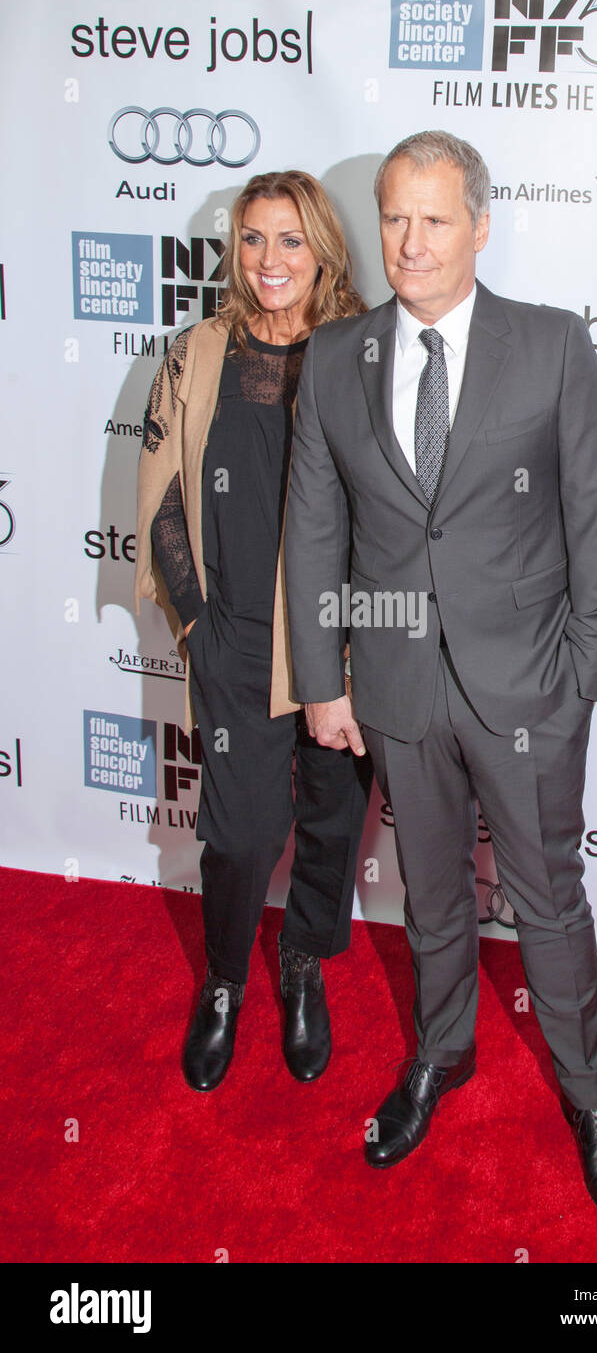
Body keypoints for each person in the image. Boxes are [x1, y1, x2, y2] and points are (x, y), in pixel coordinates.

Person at [284, 131, 597, 1222]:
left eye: (436, 219)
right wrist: (323, 682)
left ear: (481, 227)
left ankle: (589, 1098)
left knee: (548, 905)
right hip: (395, 690)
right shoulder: (338, 359)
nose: (411, 242)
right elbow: (315, 525)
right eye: (395, 217)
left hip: (528, 688)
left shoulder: (549, 347)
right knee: (429, 898)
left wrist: (579, 676)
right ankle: (442, 1056)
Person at [135, 170, 373, 1093]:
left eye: (290, 240)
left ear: (321, 248)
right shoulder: (198, 352)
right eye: (252, 239)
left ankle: (303, 958)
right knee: (237, 833)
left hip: (340, 638)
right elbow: (160, 495)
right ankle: (227, 979)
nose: (270, 260)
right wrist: (195, 618)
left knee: (333, 816)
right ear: (234, 249)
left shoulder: (360, 353)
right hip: (232, 631)